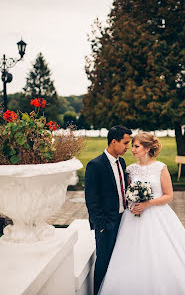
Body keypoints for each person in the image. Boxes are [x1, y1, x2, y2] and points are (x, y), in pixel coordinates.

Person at [98, 132, 185, 295]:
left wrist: (147, 204)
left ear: (147, 148)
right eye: (132, 146)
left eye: (136, 146)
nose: (132, 150)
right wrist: (132, 204)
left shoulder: (160, 167)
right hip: (133, 219)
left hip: (157, 216)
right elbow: (127, 193)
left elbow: (168, 196)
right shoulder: (130, 169)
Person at [84, 125, 132, 295]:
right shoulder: (95, 165)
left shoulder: (122, 162)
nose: (128, 147)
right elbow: (91, 199)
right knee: (104, 262)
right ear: (114, 141)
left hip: (124, 220)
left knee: (120, 260)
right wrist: (101, 225)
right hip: (106, 224)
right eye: (125, 143)